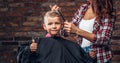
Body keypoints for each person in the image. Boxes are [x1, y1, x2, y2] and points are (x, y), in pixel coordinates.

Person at [50, 0, 115, 63]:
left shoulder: (107, 11)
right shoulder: (83, 8)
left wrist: (77, 30)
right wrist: (59, 16)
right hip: (82, 54)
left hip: (99, 56)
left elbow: (104, 39)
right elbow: (66, 32)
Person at [17, 11, 93, 63]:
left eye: (57, 23)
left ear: (62, 25)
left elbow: (81, 58)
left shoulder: (70, 45)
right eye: (50, 24)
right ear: (44, 26)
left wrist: (90, 57)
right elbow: (22, 59)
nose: (53, 26)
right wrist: (29, 50)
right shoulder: (37, 43)